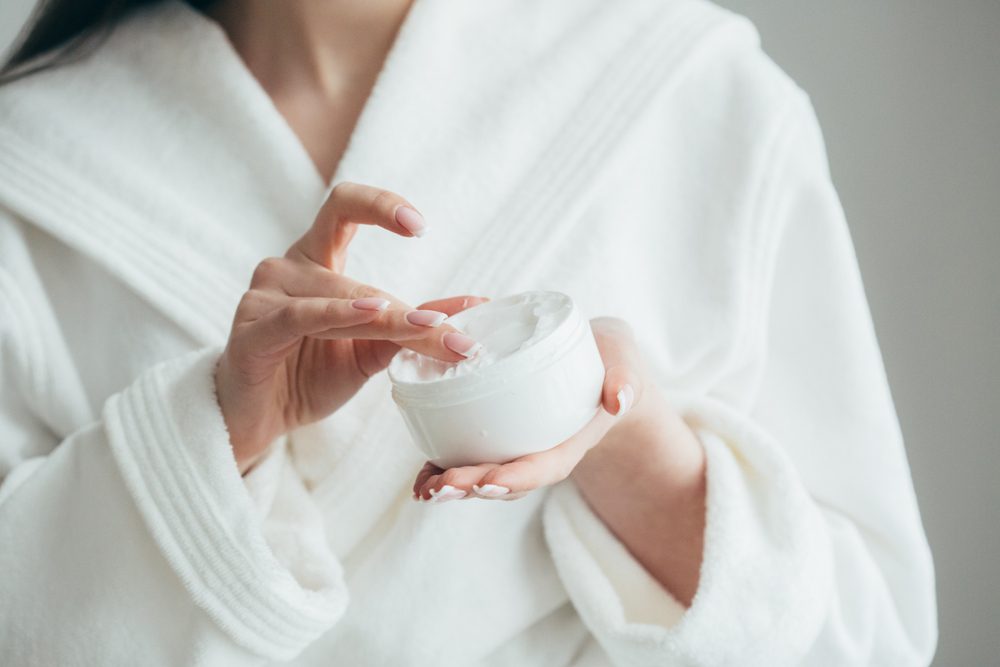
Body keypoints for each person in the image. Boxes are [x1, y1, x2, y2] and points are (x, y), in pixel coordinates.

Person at [0, 0, 937, 664]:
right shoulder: (32, 160)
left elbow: (874, 638)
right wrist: (217, 434)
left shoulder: (695, 93)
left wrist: (624, 436)